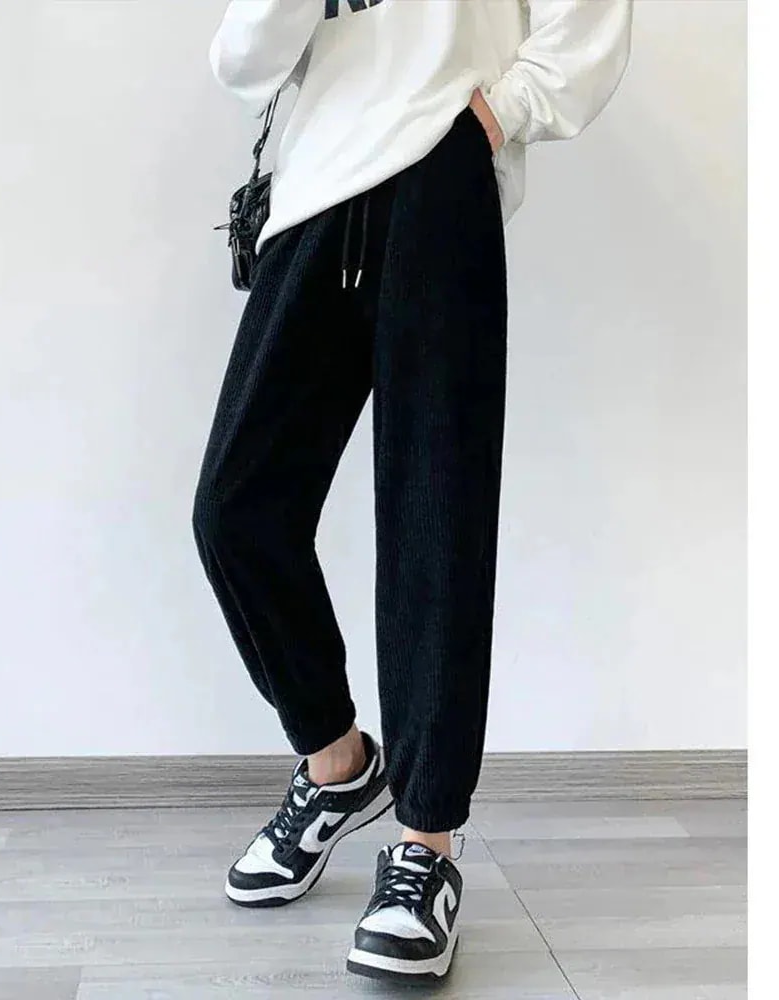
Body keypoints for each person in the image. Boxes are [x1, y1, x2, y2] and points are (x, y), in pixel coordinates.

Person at [192, 0, 632, 983]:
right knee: (235, 510)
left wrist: (501, 112)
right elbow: (243, 62)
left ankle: (425, 844)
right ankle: (337, 763)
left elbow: (591, 19)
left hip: (441, 172)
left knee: (435, 518)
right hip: (315, 190)